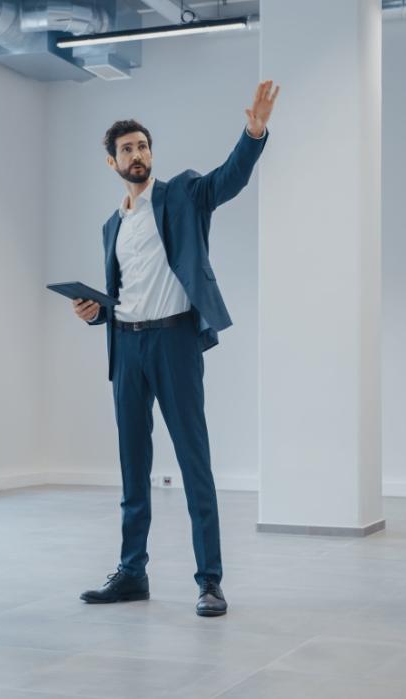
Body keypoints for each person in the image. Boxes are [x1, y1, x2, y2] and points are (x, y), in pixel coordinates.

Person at [74, 80, 280, 617]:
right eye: (126, 149)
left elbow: (227, 181)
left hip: (175, 343)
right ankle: (131, 573)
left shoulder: (183, 194)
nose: (137, 154)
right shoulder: (111, 226)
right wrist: (97, 310)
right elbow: (125, 291)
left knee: (194, 461)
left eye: (142, 146)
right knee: (132, 465)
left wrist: (253, 133)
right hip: (128, 348)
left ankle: (209, 580)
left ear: (150, 154)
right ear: (111, 162)